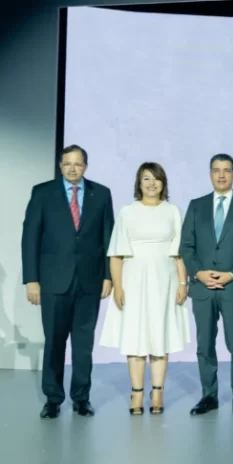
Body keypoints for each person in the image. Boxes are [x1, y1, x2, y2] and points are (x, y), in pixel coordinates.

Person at [21, 144, 114, 419]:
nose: (72, 169)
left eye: (77, 164)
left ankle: (81, 398)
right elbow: (30, 238)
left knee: (84, 344)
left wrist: (108, 275)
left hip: (90, 280)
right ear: (60, 166)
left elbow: (108, 237)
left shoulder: (101, 194)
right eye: (67, 164)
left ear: (85, 166)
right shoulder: (43, 192)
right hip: (53, 281)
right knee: (54, 341)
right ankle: (53, 399)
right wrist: (32, 280)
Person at [99, 162, 190, 415]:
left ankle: (157, 392)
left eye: (156, 179)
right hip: (133, 281)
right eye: (146, 178)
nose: (151, 183)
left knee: (161, 337)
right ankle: (137, 393)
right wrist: (118, 287)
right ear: (139, 183)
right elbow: (115, 255)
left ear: (163, 183)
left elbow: (180, 253)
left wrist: (183, 283)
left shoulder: (172, 211)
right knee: (135, 338)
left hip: (165, 281)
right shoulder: (128, 212)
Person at [180, 154, 233, 416]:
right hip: (202, 287)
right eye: (216, 170)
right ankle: (209, 395)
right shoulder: (196, 206)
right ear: (210, 174)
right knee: (204, 344)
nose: (222, 175)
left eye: (227, 170)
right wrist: (198, 273)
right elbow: (186, 246)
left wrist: (232, 275)